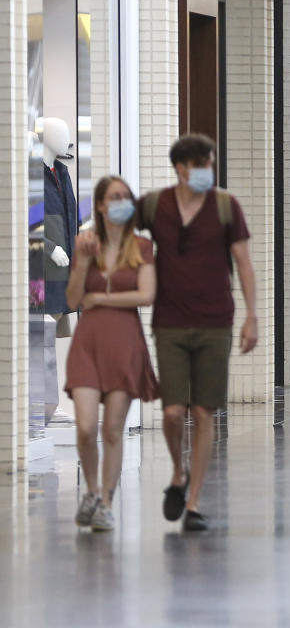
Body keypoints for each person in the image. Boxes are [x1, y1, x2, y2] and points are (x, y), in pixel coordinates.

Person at [139, 133, 258, 532]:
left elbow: (242, 261)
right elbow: (118, 229)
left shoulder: (226, 206)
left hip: (215, 321)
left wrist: (252, 315)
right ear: (182, 169)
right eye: (203, 164)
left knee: (203, 412)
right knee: (173, 412)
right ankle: (178, 471)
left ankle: (192, 503)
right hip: (169, 321)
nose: (210, 171)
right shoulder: (156, 205)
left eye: (212, 164)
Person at [65, 176, 158, 531]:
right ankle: (90, 491)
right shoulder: (86, 243)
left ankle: (105, 501)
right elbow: (73, 300)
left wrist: (101, 298)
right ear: (101, 205)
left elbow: (145, 294)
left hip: (124, 342)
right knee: (87, 427)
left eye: (126, 197)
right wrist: (85, 263)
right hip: (88, 341)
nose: (122, 201)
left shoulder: (141, 247)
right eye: (114, 197)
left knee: (114, 430)